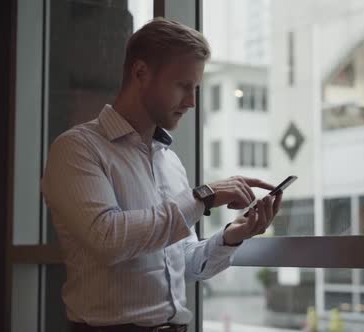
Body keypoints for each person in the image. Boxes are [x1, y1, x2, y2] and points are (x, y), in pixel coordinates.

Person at [41, 17, 282, 332]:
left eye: (195, 88)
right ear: (140, 73)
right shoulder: (76, 149)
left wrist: (232, 236)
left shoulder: (170, 162)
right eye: (183, 85)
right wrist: (203, 197)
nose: (192, 102)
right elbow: (108, 239)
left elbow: (183, 263)